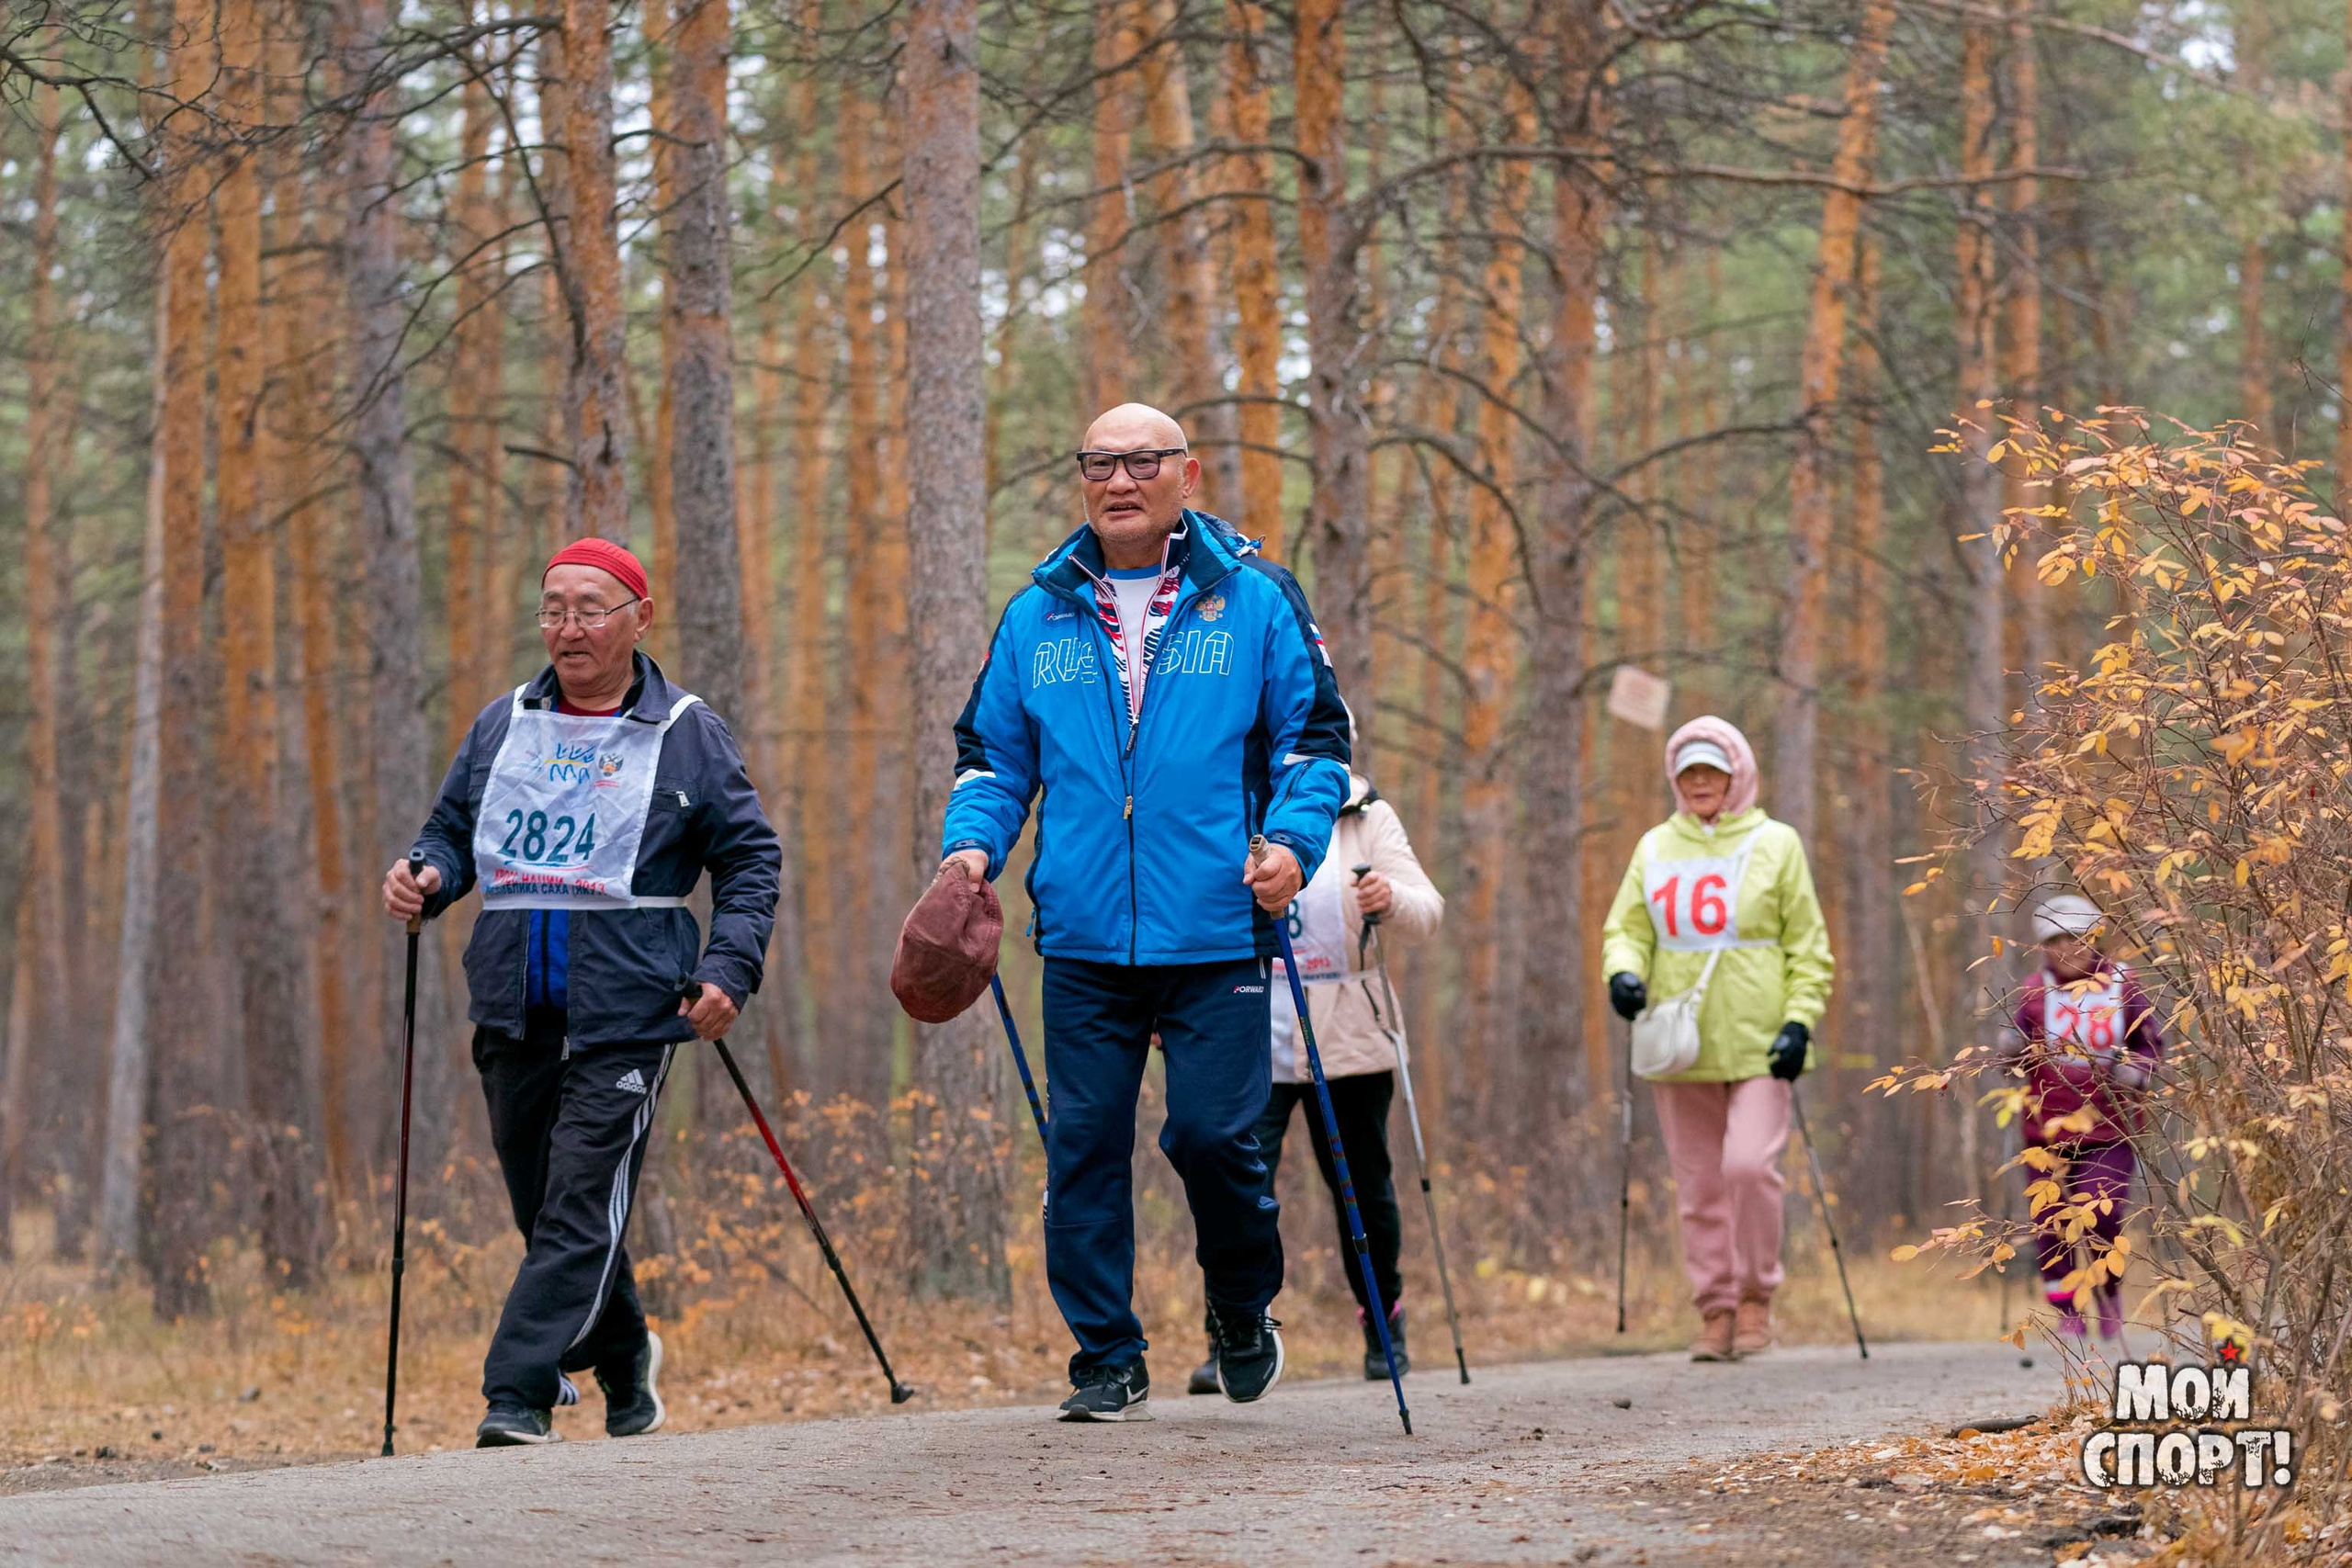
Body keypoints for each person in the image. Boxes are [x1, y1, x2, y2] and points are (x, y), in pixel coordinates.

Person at [941, 402, 1351, 1421]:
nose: (1118, 481)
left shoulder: (1255, 599)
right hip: (1083, 931)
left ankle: (1242, 1306)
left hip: (1216, 922)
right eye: (1099, 464)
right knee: (1082, 1143)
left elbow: (1314, 742)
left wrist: (1293, 848)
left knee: (1215, 1139)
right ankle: (1105, 1354)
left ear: (1188, 474)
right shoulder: (1039, 609)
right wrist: (970, 845)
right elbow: (993, 758)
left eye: (1140, 462)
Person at [382, 537, 781, 1447]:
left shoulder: (685, 730)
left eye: (590, 608)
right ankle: (627, 1347)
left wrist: (728, 969)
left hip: (631, 1006)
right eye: (553, 608)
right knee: (544, 1206)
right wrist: (426, 877)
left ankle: (518, 1392)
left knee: (575, 1206)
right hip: (513, 999)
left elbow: (750, 859)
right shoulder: (503, 723)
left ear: (639, 618)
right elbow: (448, 833)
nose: (569, 627)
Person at [1183, 713, 1442, 1393]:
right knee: (1237, 1186)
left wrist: (1389, 900)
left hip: (1351, 1036)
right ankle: (1234, 1334)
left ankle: (1383, 1325)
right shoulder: (1236, 801)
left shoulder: (1365, 814)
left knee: (1362, 1189)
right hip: (1253, 1028)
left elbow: (1428, 907)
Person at [1601, 717, 1834, 1362]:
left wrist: (1799, 1019)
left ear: (1738, 775)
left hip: (1763, 1039)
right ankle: (1716, 1307)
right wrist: (1623, 971)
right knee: (1699, 1182)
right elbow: (1625, 928)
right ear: (1675, 779)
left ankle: (1757, 1296)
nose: (1701, 782)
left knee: (1749, 1166)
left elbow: (1808, 944)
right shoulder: (1654, 846)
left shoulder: (1776, 843)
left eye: (1712, 770)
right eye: (1689, 772)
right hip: (1679, 1040)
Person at [1998, 895, 2163, 1343]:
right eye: (2055, 941)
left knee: (2100, 1213)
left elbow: (2151, 1044)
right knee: (2049, 1220)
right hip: (2044, 1129)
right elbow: (2011, 1052)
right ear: (2043, 947)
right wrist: (2006, 1051)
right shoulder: (2033, 992)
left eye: (2074, 939)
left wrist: (2136, 1070)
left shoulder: (2124, 985)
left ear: (2093, 940)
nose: (2066, 950)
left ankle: (2108, 1291)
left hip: (2110, 1127)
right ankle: (2067, 1308)